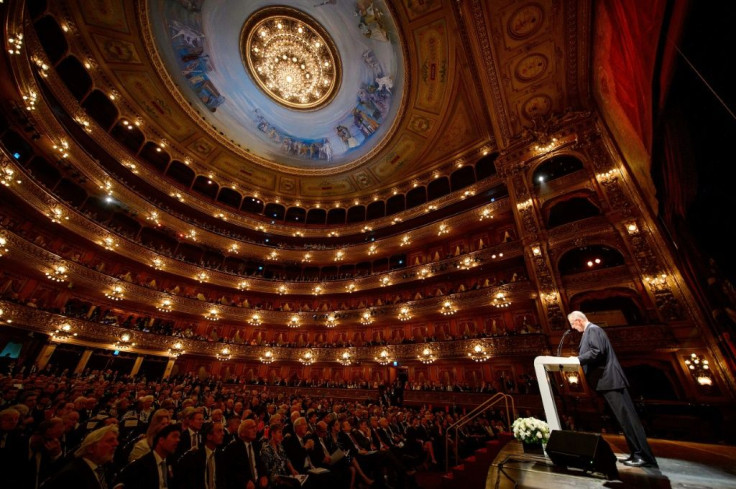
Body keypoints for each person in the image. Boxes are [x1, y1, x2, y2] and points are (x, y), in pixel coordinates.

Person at [568, 311, 658, 468]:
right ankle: (636, 453)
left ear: (579, 321)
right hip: (607, 381)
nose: (573, 328)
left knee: (628, 420)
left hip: (610, 380)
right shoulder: (590, 331)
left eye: (573, 325)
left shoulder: (593, 330)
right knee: (624, 420)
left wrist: (577, 359)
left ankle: (644, 455)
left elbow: (597, 351)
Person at [43, 425, 119, 489]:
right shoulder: (72, 475)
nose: (116, 444)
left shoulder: (101, 468)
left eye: (116, 440)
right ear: (91, 448)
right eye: (110, 441)